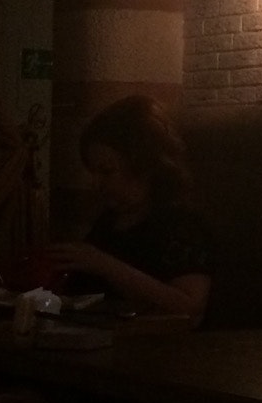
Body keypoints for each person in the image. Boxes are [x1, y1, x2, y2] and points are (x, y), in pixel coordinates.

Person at [45, 95, 213, 324]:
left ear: (145, 167)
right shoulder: (110, 222)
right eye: (93, 172)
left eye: (107, 171)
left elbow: (190, 308)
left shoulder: (181, 224)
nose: (95, 183)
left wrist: (105, 265)